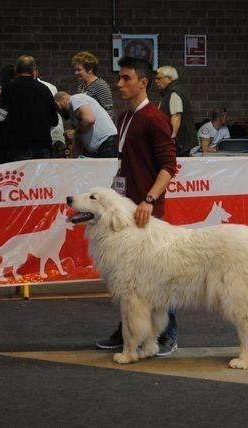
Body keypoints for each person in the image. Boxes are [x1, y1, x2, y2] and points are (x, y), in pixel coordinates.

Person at [95, 56, 178, 356]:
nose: (119, 83)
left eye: (126, 78)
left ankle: (168, 334)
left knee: (159, 277)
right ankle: (129, 330)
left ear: (143, 83)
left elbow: (169, 166)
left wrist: (149, 200)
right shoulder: (124, 117)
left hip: (147, 212)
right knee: (129, 281)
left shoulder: (155, 119)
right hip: (126, 212)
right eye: (119, 78)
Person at [0, 55, 58, 161]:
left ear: (16, 70)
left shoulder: (8, 89)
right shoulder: (45, 90)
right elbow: (54, 121)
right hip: (42, 146)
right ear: (34, 71)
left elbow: (1, 117)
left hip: (18, 146)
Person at [53, 91, 117, 157]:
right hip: (100, 149)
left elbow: (89, 119)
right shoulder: (73, 115)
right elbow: (78, 141)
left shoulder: (75, 99)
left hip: (107, 144)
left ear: (57, 104)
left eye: (57, 110)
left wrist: (74, 132)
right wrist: (72, 158)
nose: (59, 112)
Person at [155, 65, 197, 156]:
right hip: (179, 143)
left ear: (169, 79)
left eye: (159, 78)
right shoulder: (172, 92)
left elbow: (176, 116)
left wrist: (172, 138)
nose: (156, 81)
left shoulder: (174, 92)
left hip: (178, 143)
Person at [72, 51, 115, 120]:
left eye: (79, 70)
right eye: (75, 69)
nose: (76, 73)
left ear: (90, 69)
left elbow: (109, 113)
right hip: (86, 127)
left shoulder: (101, 85)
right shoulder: (81, 86)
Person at [34, 66, 66, 155]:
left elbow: (55, 113)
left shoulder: (49, 87)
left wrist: (58, 136)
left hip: (50, 133)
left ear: (36, 72)